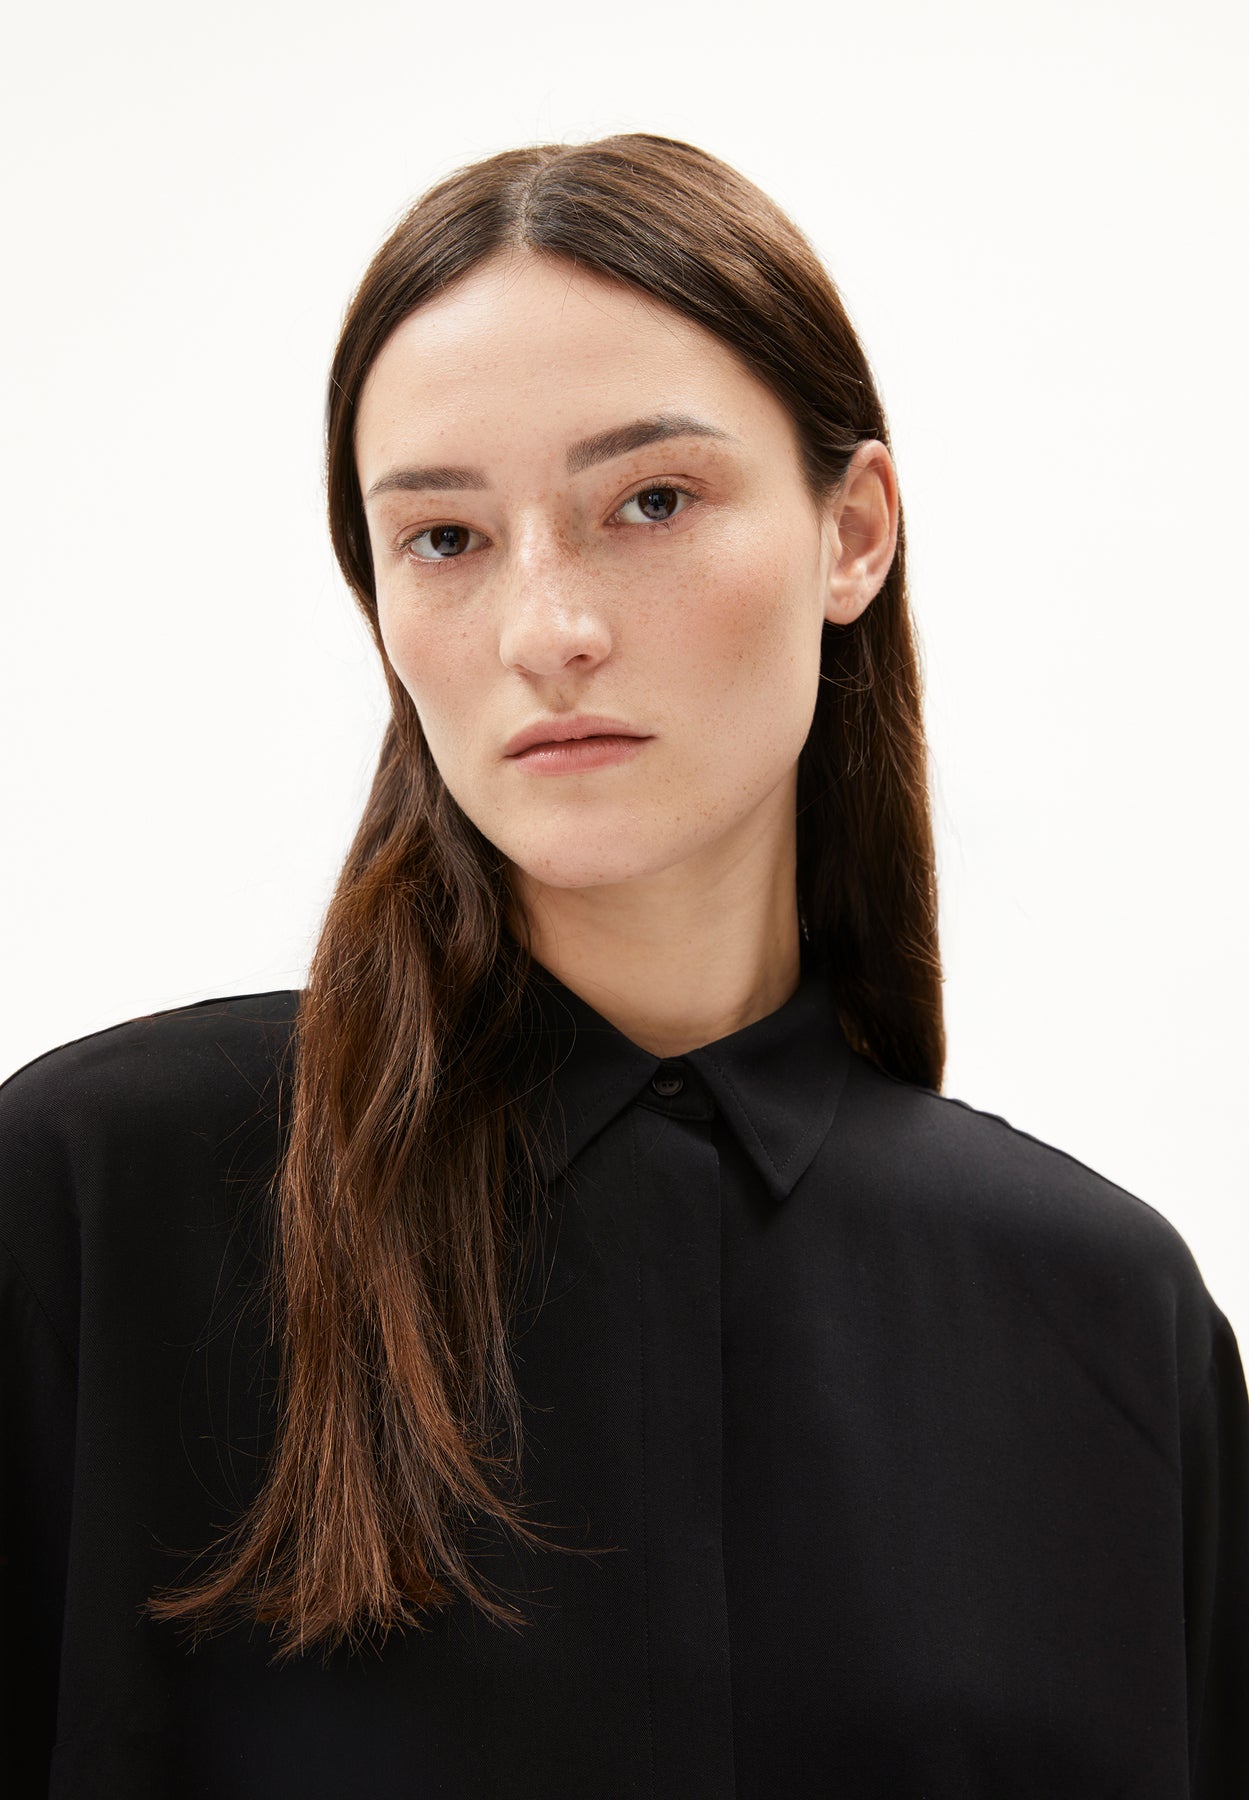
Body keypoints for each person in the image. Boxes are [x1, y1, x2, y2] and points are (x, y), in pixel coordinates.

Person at [1, 132, 1245, 1799]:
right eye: (444, 537)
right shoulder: (100, 1200)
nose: (547, 630)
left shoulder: (1107, 1317)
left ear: (852, 534)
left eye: (650, 502)